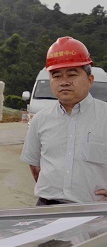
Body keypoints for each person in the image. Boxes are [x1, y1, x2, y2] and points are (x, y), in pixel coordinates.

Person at [21, 36, 107, 205]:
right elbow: (34, 163)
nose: (64, 82)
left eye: (72, 74)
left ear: (90, 80)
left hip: (94, 212)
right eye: (56, 76)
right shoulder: (40, 120)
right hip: (47, 210)